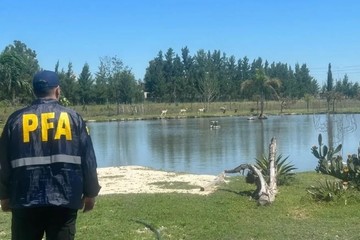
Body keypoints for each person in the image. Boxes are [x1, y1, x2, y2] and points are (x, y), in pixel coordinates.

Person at [0, 70, 101, 240]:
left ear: (34, 91)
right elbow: (88, 160)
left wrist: (3, 195)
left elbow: (3, 163)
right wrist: (91, 193)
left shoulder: (15, 120)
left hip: (25, 198)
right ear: (58, 90)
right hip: (65, 199)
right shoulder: (74, 118)